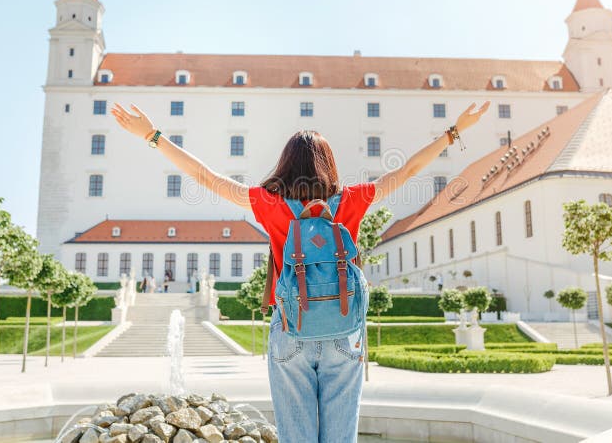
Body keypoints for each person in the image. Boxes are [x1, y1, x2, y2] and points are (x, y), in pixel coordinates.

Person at [111, 99, 490, 443]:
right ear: (329, 164)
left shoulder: (268, 203)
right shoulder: (351, 201)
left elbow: (207, 177)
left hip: (290, 328)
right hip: (345, 329)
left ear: (285, 162)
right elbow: (409, 170)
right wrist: (455, 130)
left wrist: (153, 135)